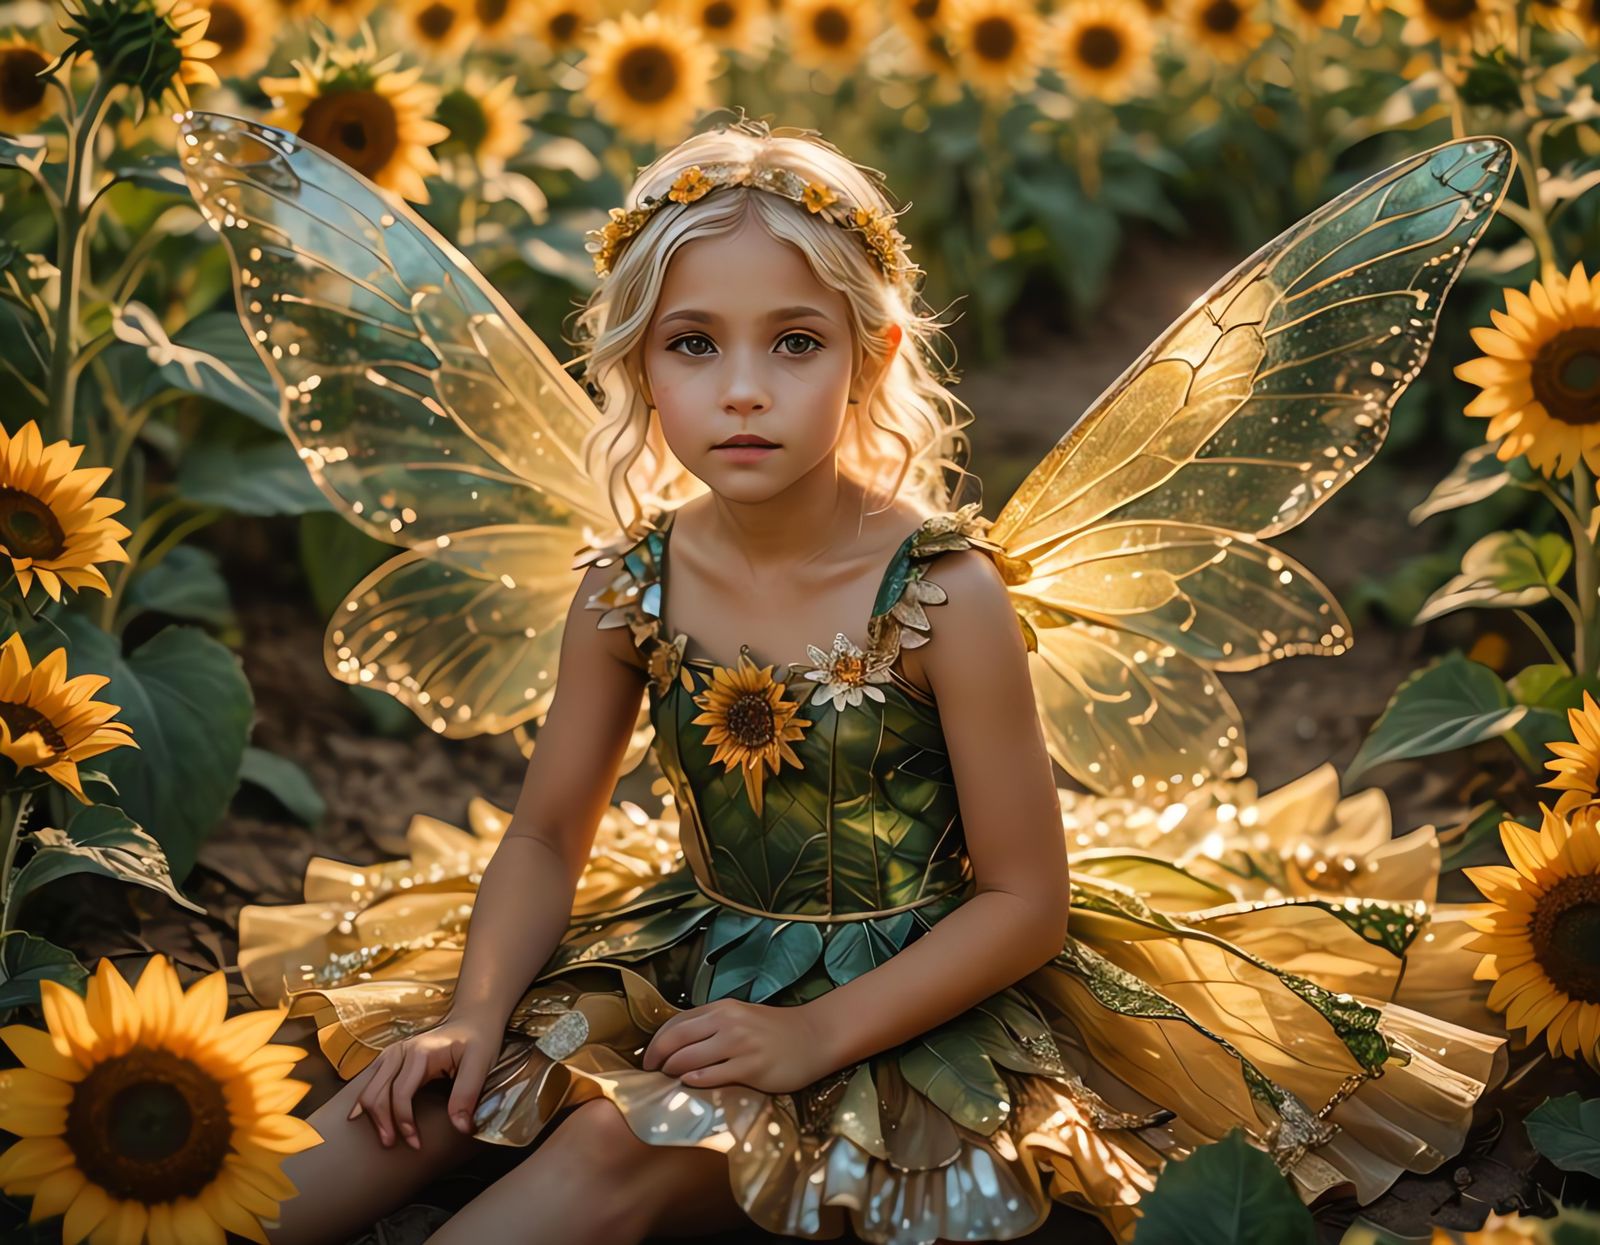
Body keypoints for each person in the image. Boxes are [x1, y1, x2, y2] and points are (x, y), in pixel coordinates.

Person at [176, 112, 1517, 1244]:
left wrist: (814, 1041)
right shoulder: (626, 582)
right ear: (639, 363)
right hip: (698, 937)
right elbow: (542, 830)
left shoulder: (946, 596)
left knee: (615, 1148)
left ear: (871, 357)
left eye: (794, 342)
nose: (743, 389)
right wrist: (474, 1014)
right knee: (410, 1095)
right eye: (694, 344)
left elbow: (1023, 901)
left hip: (917, 990)